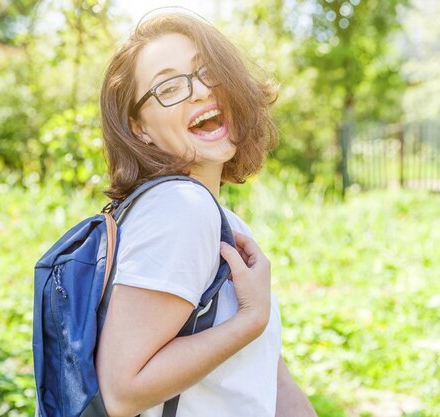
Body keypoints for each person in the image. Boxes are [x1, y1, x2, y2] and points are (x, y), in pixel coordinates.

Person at [94, 10, 318, 417]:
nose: (199, 91)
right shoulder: (181, 209)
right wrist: (249, 321)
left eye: (207, 71)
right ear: (139, 128)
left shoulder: (221, 221)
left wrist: (253, 324)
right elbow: (121, 392)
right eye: (168, 86)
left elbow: (275, 382)